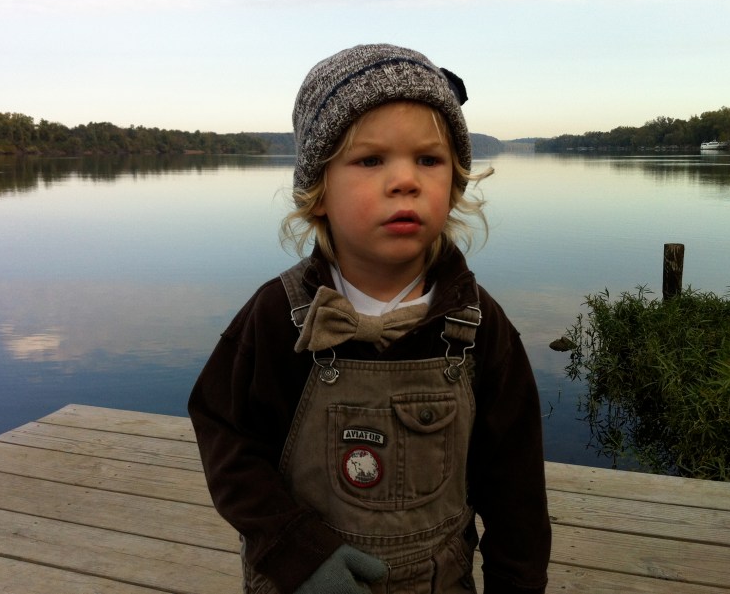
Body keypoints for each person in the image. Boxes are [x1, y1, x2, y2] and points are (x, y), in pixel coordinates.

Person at [189, 43, 551, 594]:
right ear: (318, 192)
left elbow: (515, 488)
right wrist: (296, 553)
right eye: (371, 160)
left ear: (454, 184)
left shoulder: (479, 325)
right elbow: (230, 445)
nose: (405, 181)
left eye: (428, 160)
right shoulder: (278, 316)